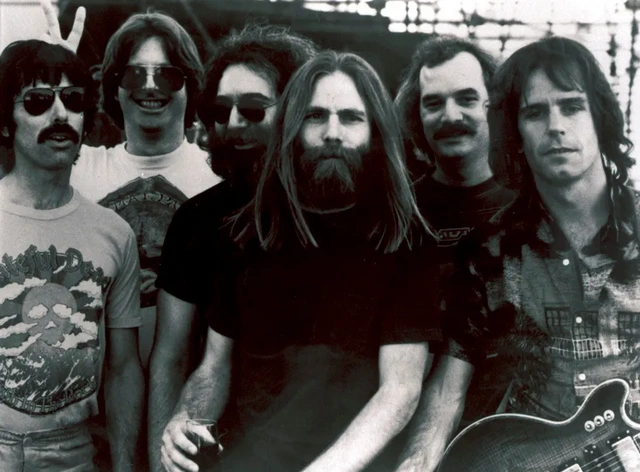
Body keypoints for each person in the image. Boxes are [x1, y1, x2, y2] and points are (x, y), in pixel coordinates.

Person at [160, 50, 439, 472]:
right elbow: (215, 366)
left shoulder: (408, 240)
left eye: (351, 118)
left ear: (375, 133)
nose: (332, 133)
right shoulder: (247, 233)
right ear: (291, 128)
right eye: (315, 117)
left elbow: (399, 391)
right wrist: (186, 418)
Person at [398, 36, 640, 471]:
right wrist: (415, 466)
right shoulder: (489, 253)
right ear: (515, 135)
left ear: (600, 117)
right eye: (535, 113)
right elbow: (447, 393)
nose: (556, 126)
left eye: (572, 106)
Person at [148, 24, 318, 471]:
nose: (235, 123)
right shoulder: (196, 220)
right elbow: (171, 357)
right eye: (222, 111)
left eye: (254, 109)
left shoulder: (332, 212)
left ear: (297, 109)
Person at [0, 39, 143, 471]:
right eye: (38, 101)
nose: (60, 115)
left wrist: (124, 466)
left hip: (73, 454)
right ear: (5, 122)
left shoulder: (114, 234)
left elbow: (123, 369)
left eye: (74, 100)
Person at [63, 10, 221, 363]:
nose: (150, 86)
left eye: (168, 75)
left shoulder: (218, 177)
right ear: (114, 88)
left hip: (188, 384)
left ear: (191, 87)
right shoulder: (75, 170)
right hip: (93, 388)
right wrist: (44, 78)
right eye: (134, 74)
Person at [394, 34, 516, 433]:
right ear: (416, 115)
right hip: (405, 422)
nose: (450, 116)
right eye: (433, 103)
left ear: (494, 106)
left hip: (507, 426)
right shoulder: (397, 213)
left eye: (466, 99)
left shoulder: (529, 208)